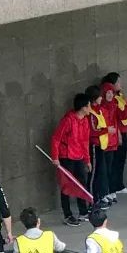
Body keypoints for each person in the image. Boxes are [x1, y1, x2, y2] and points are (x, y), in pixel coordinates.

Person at [50, 92, 93, 226]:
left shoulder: (85, 121)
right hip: (66, 157)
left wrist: (87, 160)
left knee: (82, 183)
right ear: (83, 107)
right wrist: (55, 157)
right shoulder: (68, 120)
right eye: (89, 105)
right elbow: (56, 138)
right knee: (66, 186)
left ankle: (83, 211)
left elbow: (85, 142)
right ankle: (68, 215)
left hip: (79, 156)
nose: (91, 108)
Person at [102, 72, 127, 196]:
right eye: (119, 82)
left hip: (122, 131)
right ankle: (114, 186)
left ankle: (118, 184)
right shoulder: (113, 99)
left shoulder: (119, 96)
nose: (121, 84)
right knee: (116, 161)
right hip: (117, 133)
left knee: (120, 160)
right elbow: (122, 115)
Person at [86, 84, 115, 209]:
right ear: (94, 98)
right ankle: (92, 200)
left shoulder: (99, 109)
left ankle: (99, 196)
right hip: (94, 146)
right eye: (99, 97)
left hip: (101, 146)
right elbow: (92, 131)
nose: (101, 98)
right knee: (93, 174)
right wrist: (106, 130)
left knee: (101, 173)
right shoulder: (90, 113)